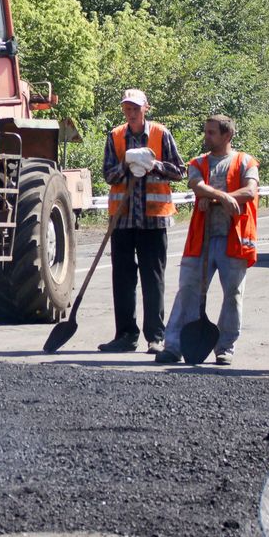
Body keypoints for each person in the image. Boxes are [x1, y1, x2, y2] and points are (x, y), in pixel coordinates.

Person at [156, 115, 258, 365]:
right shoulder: (198, 162)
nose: (207, 136)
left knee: (233, 294)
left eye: (212, 132)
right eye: (206, 131)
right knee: (187, 292)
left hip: (234, 241)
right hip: (200, 240)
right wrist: (221, 198)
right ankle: (174, 346)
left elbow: (250, 191)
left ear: (227, 135)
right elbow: (196, 184)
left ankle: (225, 347)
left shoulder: (246, 161)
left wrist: (212, 197)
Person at [99, 89, 186, 353]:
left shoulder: (161, 134)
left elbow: (180, 171)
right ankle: (125, 335)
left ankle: (156, 337)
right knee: (122, 279)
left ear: (146, 108)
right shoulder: (115, 137)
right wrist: (126, 165)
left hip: (153, 220)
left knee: (153, 278)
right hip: (122, 220)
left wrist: (153, 164)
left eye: (136, 108)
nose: (132, 113)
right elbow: (107, 174)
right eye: (127, 108)